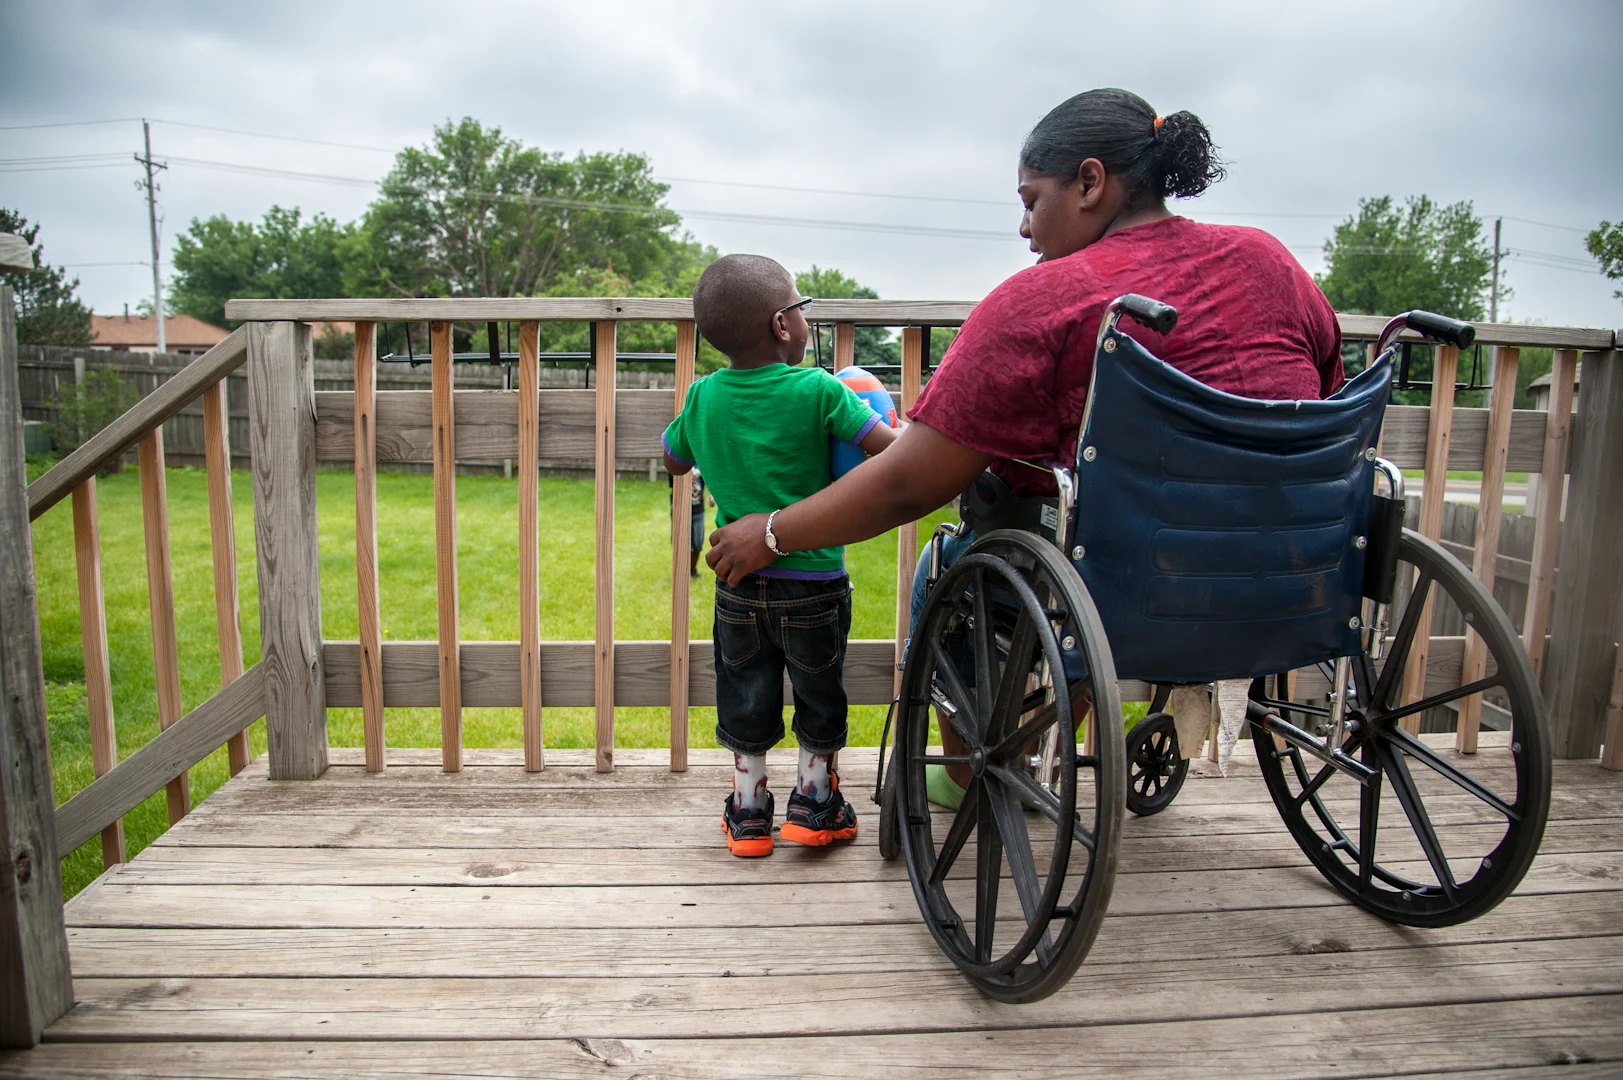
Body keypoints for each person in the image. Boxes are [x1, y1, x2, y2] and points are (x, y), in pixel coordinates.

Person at [703, 89, 1345, 805]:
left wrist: (770, 533)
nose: (1022, 224)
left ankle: (969, 772)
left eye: (1031, 198)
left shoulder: (1047, 298)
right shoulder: (1268, 260)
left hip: (1131, 587)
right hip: (1291, 574)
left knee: (955, 556)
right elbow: (1320, 400)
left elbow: (907, 483)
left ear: (1090, 182)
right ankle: (1045, 732)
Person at [663, 254, 899, 856]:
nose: (804, 318)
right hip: (814, 581)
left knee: (745, 689)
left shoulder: (702, 396)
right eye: (800, 307)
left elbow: (674, 458)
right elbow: (886, 449)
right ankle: (815, 806)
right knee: (818, 691)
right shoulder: (820, 390)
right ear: (781, 325)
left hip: (737, 583)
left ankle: (748, 814)